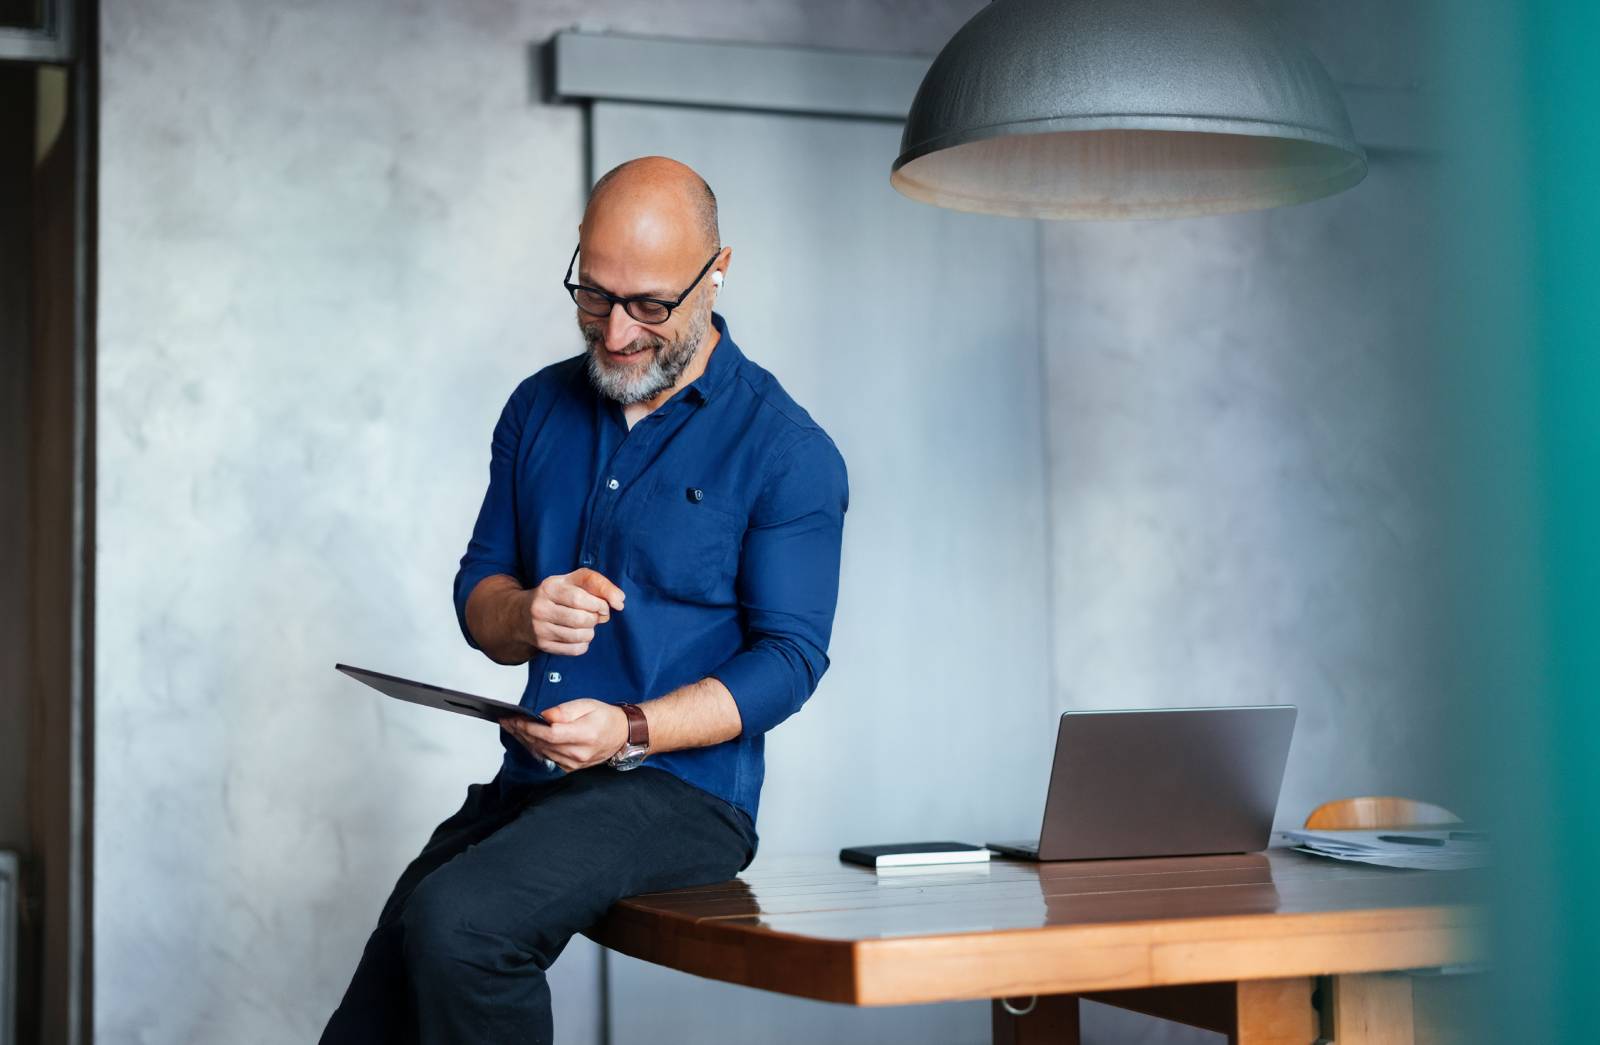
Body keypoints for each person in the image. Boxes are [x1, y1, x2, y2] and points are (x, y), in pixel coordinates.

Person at [320, 155, 850, 1043]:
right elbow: (478, 591)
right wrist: (524, 614)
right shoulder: (536, 409)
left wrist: (631, 727)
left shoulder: (789, 451)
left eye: (649, 306)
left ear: (717, 273)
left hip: (684, 793)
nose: (614, 335)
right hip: (535, 780)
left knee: (463, 928)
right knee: (380, 1002)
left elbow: (790, 662)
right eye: (595, 297)